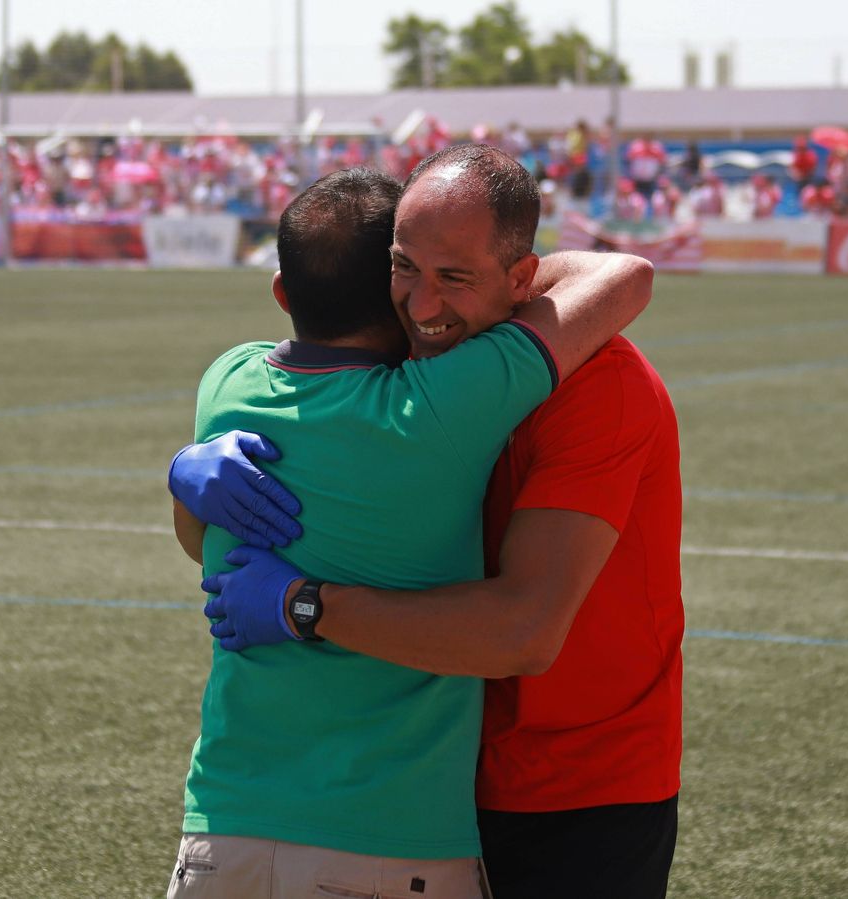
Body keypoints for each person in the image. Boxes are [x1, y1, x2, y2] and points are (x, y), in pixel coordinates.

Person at [173, 148, 685, 898]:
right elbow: (220, 548)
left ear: (522, 279)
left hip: (581, 791)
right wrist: (189, 488)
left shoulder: (598, 387)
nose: (418, 305)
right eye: (403, 267)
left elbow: (525, 630)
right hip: (445, 785)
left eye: (454, 276)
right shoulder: (410, 382)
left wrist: (302, 603)